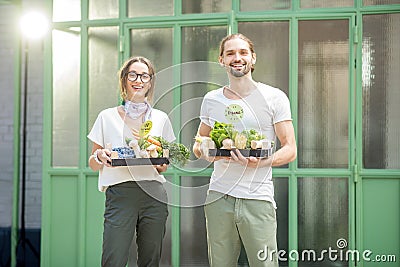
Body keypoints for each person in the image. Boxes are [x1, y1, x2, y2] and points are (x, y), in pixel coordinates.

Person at [193, 33, 297, 267]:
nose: (236, 58)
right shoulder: (212, 99)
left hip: (257, 198)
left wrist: (262, 161)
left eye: (242, 52)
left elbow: (290, 149)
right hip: (219, 197)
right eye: (230, 53)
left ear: (253, 58)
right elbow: (199, 142)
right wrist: (205, 150)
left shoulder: (274, 97)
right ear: (221, 60)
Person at [88, 56, 175, 267]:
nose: (139, 80)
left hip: (153, 195)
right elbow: (92, 162)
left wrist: (156, 159)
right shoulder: (106, 116)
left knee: (150, 260)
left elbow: (163, 166)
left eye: (144, 75)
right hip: (120, 194)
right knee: (113, 259)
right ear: (124, 79)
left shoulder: (161, 118)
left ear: (150, 81)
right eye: (133, 75)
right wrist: (99, 157)